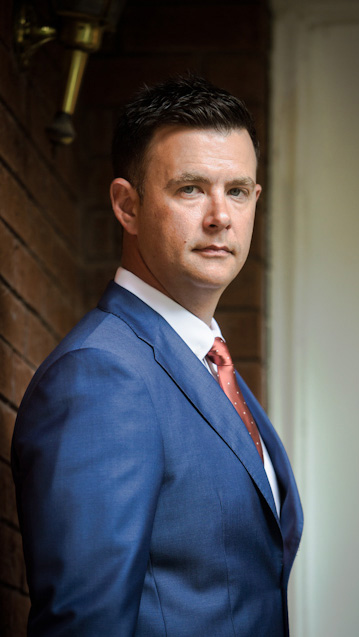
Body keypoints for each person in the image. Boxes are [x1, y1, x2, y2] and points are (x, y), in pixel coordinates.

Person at [12, 76, 303, 636]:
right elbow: (84, 625)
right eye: (191, 188)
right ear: (127, 204)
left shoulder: (206, 364)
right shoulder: (100, 375)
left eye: (238, 191)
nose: (220, 216)